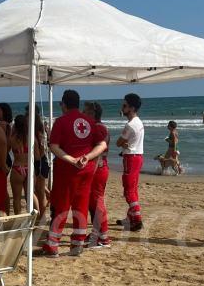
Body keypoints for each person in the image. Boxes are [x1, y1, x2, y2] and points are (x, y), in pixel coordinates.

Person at [43, 90, 107, 257]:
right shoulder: (89, 121)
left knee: (62, 206)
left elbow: (54, 146)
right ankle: (77, 244)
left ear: (64, 104)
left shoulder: (61, 121)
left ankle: (52, 246)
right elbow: (102, 145)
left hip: (67, 171)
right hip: (86, 170)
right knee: (81, 206)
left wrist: (71, 159)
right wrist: (87, 157)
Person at [116, 93, 145, 231]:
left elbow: (118, 142)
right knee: (133, 188)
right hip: (138, 156)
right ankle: (130, 217)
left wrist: (123, 143)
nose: (122, 107)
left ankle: (137, 218)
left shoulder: (130, 125)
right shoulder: (139, 122)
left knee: (128, 190)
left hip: (131, 158)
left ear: (131, 108)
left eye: (125, 105)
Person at [84, 101, 110, 248]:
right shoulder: (99, 127)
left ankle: (104, 237)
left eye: (85, 112)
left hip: (97, 169)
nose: (83, 114)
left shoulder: (98, 128)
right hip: (97, 168)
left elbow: (98, 152)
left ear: (92, 113)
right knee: (93, 202)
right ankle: (96, 232)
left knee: (97, 202)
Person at [9, 114, 33, 214]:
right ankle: (30, 218)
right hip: (29, 168)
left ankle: (17, 221)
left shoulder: (12, 138)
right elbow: (37, 156)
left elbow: (5, 151)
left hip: (17, 168)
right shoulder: (31, 138)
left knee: (16, 198)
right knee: (29, 198)